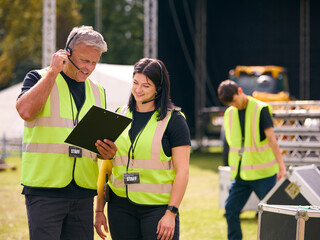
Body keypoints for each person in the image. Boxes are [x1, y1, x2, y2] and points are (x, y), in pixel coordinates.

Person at [16, 26, 117, 240]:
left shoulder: (98, 91)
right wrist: (53, 72)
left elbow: (95, 142)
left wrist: (106, 151)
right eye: (83, 60)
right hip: (45, 190)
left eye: (94, 62)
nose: (88, 68)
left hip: (82, 193)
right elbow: (25, 111)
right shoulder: (39, 77)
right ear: (65, 53)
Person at [94, 58, 191, 240]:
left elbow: (183, 172)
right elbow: (106, 167)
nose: (138, 90)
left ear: (159, 88)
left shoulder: (175, 121)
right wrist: (99, 209)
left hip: (157, 209)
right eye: (135, 83)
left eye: (146, 86)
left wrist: (171, 213)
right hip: (120, 207)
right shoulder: (118, 115)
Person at [217, 80, 286, 240]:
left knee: (272, 215)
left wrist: (281, 166)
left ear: (240, 91)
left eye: (234, 101)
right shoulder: (230, 113)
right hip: (241, 174)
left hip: (263, 173)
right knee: (230, 210)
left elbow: (272, 139)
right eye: (230, 104)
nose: (234, 105)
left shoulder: (260, 109)